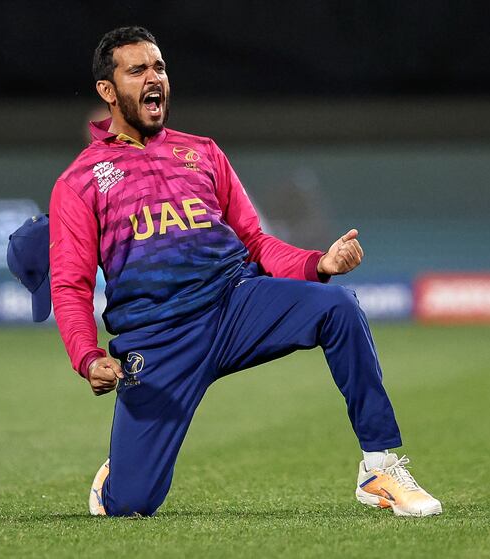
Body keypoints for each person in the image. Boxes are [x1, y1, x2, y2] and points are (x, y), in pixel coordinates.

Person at [47, 26, 441, 518]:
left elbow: (255, 241)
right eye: (138, 70)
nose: (155, 79)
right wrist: (87, 357)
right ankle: (121, 475)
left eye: (160, 67)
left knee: (339, 308)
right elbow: (71, 284)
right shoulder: (80, 182)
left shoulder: (203, 152)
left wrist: (316, 263)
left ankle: (379, 467)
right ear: (108, 91)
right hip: (159, 341)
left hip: (235, 304)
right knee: (131, 504)